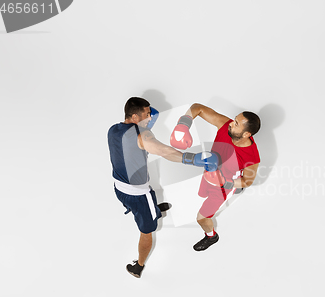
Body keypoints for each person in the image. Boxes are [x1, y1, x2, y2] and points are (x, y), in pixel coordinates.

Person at [108, 97, 220, 278]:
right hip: (138, 195)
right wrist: (194, 159)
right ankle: (139, 266)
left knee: (150, 194)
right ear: (135, 117)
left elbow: (134, 137)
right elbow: (165, 151)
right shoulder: (143, 135)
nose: (151, 117)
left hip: (119, 188)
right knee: (147, 231)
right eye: (147, 114)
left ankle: (154, 210)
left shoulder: (113, 130)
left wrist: (145, 119)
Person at [170, 103, 261, 251]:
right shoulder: (226, 126)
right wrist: (183, 125)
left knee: (202, 218)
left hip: (223, 186)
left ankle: (211, 236)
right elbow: (197, 107)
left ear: (246, 134)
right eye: (234, 119)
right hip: (210, 171)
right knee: (202, 192)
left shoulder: (252, 157)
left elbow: (247, 181)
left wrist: (225, 182)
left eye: (236, 123)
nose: (231, 123)